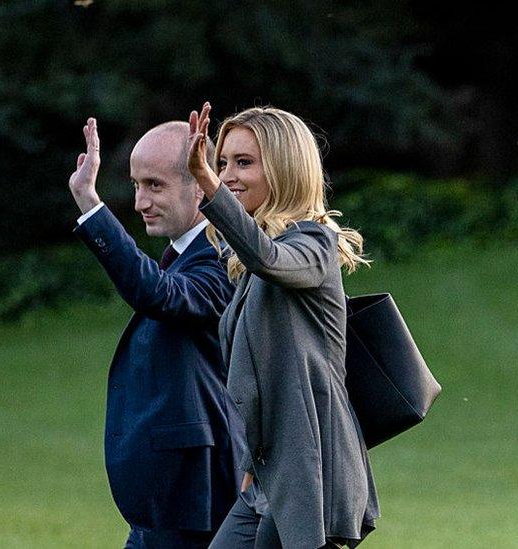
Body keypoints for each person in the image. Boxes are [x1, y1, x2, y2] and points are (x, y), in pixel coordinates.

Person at [185, 103, 379, 549]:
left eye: (244, 162)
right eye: (222, 163)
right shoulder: (250, 268)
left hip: (313, 475)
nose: (228, 174)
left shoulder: (313, 243)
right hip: (268, 478)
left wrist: (209, 186)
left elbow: (270, 259)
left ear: (285, 168)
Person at [68, 119, 241, 547]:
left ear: (201, 186)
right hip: (167, 493)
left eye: (155, 185)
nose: (140, 201)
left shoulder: (224, 257)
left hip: (194, 490)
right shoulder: (183, 256)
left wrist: (92, 207)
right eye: (135, 185)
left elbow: (158, 294)